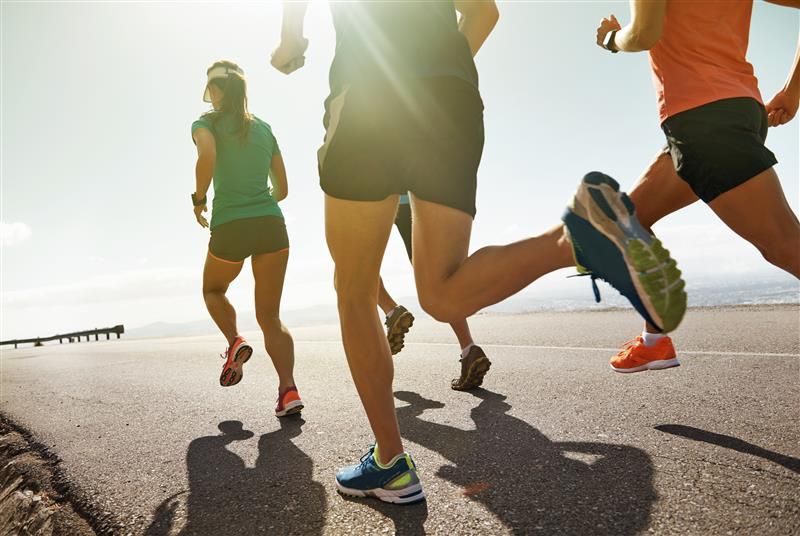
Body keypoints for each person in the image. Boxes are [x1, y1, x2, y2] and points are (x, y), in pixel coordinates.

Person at [272, 0, 685, 504]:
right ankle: (579, 238)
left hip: (369, 96)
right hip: (452, 98)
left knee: (354, 289)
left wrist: (291, 38)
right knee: (443, 294)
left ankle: (389, 463)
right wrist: (436, 74)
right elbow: (485, 13)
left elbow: (294, 31)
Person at [594, 0, 800, 373]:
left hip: (703, 117)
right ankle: (654, 342)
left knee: (787, 247)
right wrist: (791, 91)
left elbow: (643, 34)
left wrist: (611, 38)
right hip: (730, 110)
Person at [191, 60, 304, 418]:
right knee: (270, 315)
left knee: (213, 289)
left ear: (216, 90)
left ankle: (234, 340)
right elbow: (283, 189)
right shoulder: (265, 128)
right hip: (271, 223)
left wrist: (199, 199)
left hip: (230, 225)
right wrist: (261, 197)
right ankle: (288, 391)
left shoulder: (205, 123)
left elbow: (207, 155)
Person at [378, 194, 492, 391]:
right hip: (410, 196)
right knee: (435, 274)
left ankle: (390, 310)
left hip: (371, 195)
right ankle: (468, 348)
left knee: (356, 268)